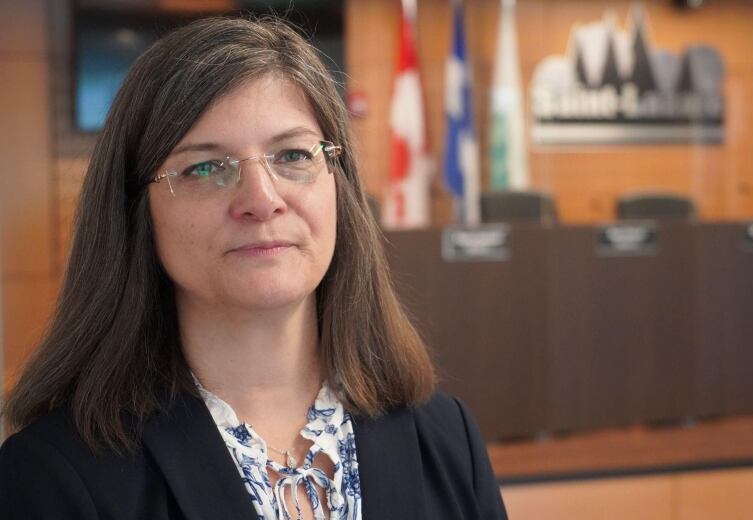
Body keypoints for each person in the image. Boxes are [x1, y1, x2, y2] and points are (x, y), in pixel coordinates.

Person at [0, 16, 507, 520]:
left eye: (292, 154)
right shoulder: (52, 476)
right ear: (136, 211)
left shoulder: (446, 439)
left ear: (339, 185)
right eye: (206, 167)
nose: (262, 201)